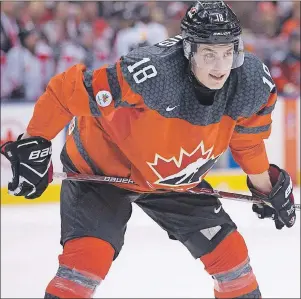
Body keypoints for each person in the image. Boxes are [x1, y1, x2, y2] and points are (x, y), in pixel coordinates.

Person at [0, 2, 296, 298]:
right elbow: (68, 91)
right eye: (209, 54)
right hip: (101, 170)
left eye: (227, 53)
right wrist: (34, 142)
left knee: (233, 262)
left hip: (175, 179)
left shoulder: (250, 82)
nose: (220, 67)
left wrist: (265, 187)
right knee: (85, 264)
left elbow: (247, 141)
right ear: (189, 50)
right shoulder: (152, 73)